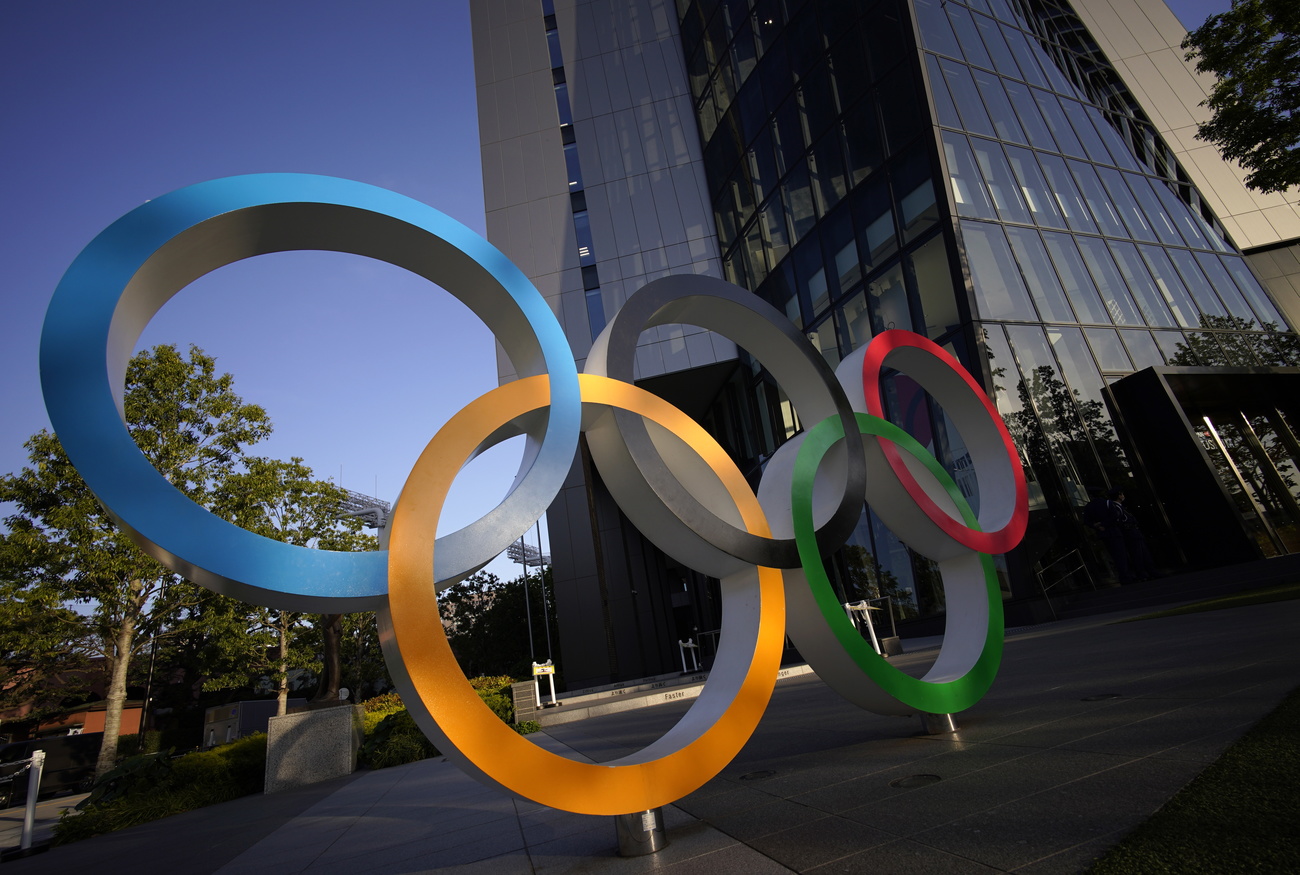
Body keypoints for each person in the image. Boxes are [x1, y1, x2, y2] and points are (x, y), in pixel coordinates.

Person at [1084, 486, 1131, 583]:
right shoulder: (1107, 503)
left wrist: (1096, 525)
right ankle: (1125, 575)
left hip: (1103, 533)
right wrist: (1104, 524)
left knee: (1113, 554)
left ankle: (1122, 575)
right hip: (1113, 530)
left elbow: (1087, 521)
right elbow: (1114, 516)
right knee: (1121, 554)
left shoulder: (1089, 506)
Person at [1109, 488, 1158, 581]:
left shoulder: (1119, 506)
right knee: (1137, 554)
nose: (1123, 496)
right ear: (1118, 496)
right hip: (1130, 533)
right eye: (1121, 494)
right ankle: (1143, 573)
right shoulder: (1116, 507)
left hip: (1133, 532)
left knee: (1142, 553)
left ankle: (1149, 571)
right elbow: (1119, 520)